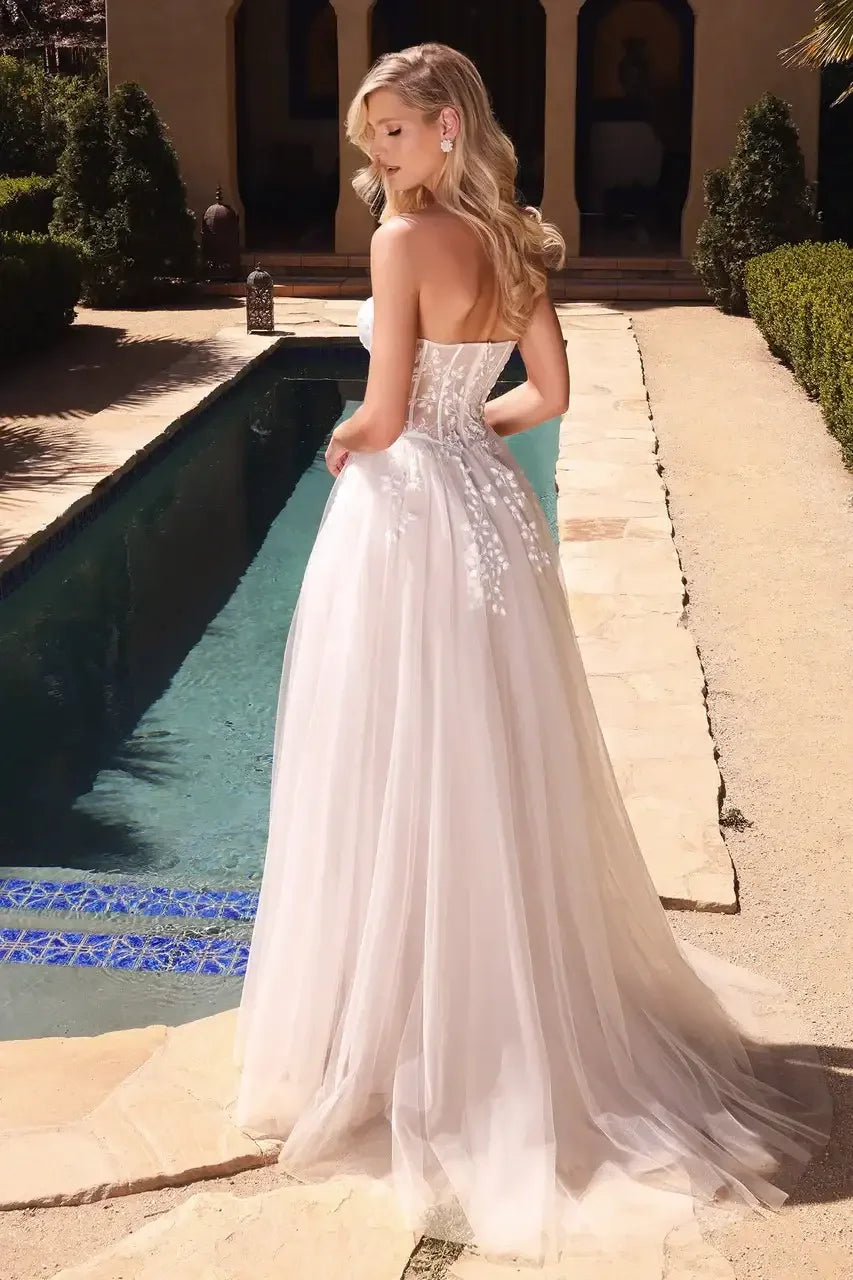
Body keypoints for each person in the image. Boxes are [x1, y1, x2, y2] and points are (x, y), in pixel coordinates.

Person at [233, 42, 829, 1264]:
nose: (376, 159)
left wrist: (351, 441)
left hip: (405, 523)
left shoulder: (402, 246)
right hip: (491, 513)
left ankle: (409, 1031)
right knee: (492, 756)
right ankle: (490, 1005)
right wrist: (466, 438)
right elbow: (543, 396)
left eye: (392, 133)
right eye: (369, 140)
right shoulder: (515, 242)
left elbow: (387, 411)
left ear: (449, 125)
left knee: (396, 758)